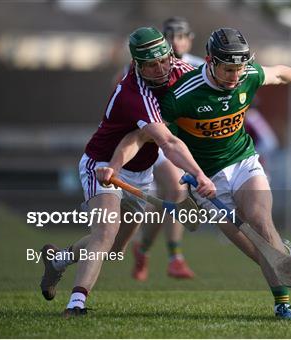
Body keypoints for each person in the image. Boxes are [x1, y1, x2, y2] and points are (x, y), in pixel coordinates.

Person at [98, 27, 291, 320]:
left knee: (261, 223)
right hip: (207, 180)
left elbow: (278, 74)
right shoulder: (180, 95)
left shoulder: (248, 75)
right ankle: (285, 255)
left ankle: (283, 304)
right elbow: (138, 138)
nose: (236, 76)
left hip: (244, 162)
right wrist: (115, 166)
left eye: (240, 68)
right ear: (210, 61)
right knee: (254, 249)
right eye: (228, 69)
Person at [39, 27, 215, 317]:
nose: (159, 69)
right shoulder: (133, 92)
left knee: (115, 248)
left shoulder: (181, 70)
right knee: (105, 231)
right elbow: (168, 142)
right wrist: (200, 174)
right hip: (104, 166)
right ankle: (76, 303)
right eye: (150, 64)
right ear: (136, 64)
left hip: (141, 173)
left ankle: (58, 261)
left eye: (163, 61)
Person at [131, 17, 206, 281]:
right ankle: (175, 258)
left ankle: (143, 248)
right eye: (169, 36)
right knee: (175, 189)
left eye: (181, 36)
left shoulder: (199, 67)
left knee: (165, 202)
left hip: (184, 143)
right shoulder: (141, 68)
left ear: (190, 39)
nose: (175, 41)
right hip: (154, 141)